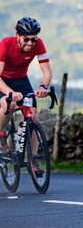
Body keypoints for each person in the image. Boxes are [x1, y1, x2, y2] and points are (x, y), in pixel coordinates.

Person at [0, 17, 52, 153]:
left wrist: (43, 87)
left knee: (33, 116)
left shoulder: (39, 44)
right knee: (9, 104)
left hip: (21, 80)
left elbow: (47, 71)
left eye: (33, 39)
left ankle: (33, 158)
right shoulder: (6, 43)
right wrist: (11, 93)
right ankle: (1, 134)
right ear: (17, 35)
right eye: (26, 39)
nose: (30, 43)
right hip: (3, 81)